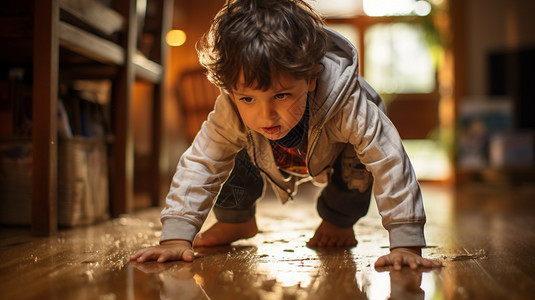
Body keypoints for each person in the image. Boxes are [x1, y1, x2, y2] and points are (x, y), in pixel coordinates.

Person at [131, 0, 441, 270]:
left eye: (280, 95)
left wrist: (405, 244)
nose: (265, 115)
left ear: (310, 76)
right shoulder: (232, 110)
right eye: (248, 98)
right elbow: (201, 163)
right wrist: (175, 236)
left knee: (356, 167)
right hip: (268, 155)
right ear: (230, 90)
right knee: (231, 144)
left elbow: (389, 160)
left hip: (338, 150)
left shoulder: (349, 104)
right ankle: (235, 219)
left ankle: (338, 219)